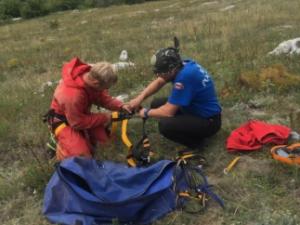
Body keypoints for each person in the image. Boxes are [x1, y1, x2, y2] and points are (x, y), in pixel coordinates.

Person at [129, 43, 222, 149]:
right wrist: (139, 98)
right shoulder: (182, 64)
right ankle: (186, 125)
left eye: (161, 73)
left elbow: (167, 112)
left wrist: (145, 112)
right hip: (194, 109)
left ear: (172, 70)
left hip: (209, 121)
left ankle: (197, 143)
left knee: (165, 125)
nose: (158, 76)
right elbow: (159, 82)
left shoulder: (184, 78)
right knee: (156, 104)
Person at [45, 57, 131, 160]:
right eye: (106, 88)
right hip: (63, 121)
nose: (106, 90)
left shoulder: (90, 78)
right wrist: (106, 117)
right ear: (96, 83)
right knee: (83, 157)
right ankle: (58, 148)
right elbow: (77, 123)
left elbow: (102, 98)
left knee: (105, 144)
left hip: (79, 115)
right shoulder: (72, 95)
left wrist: (121, 106)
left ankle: (83, 140)